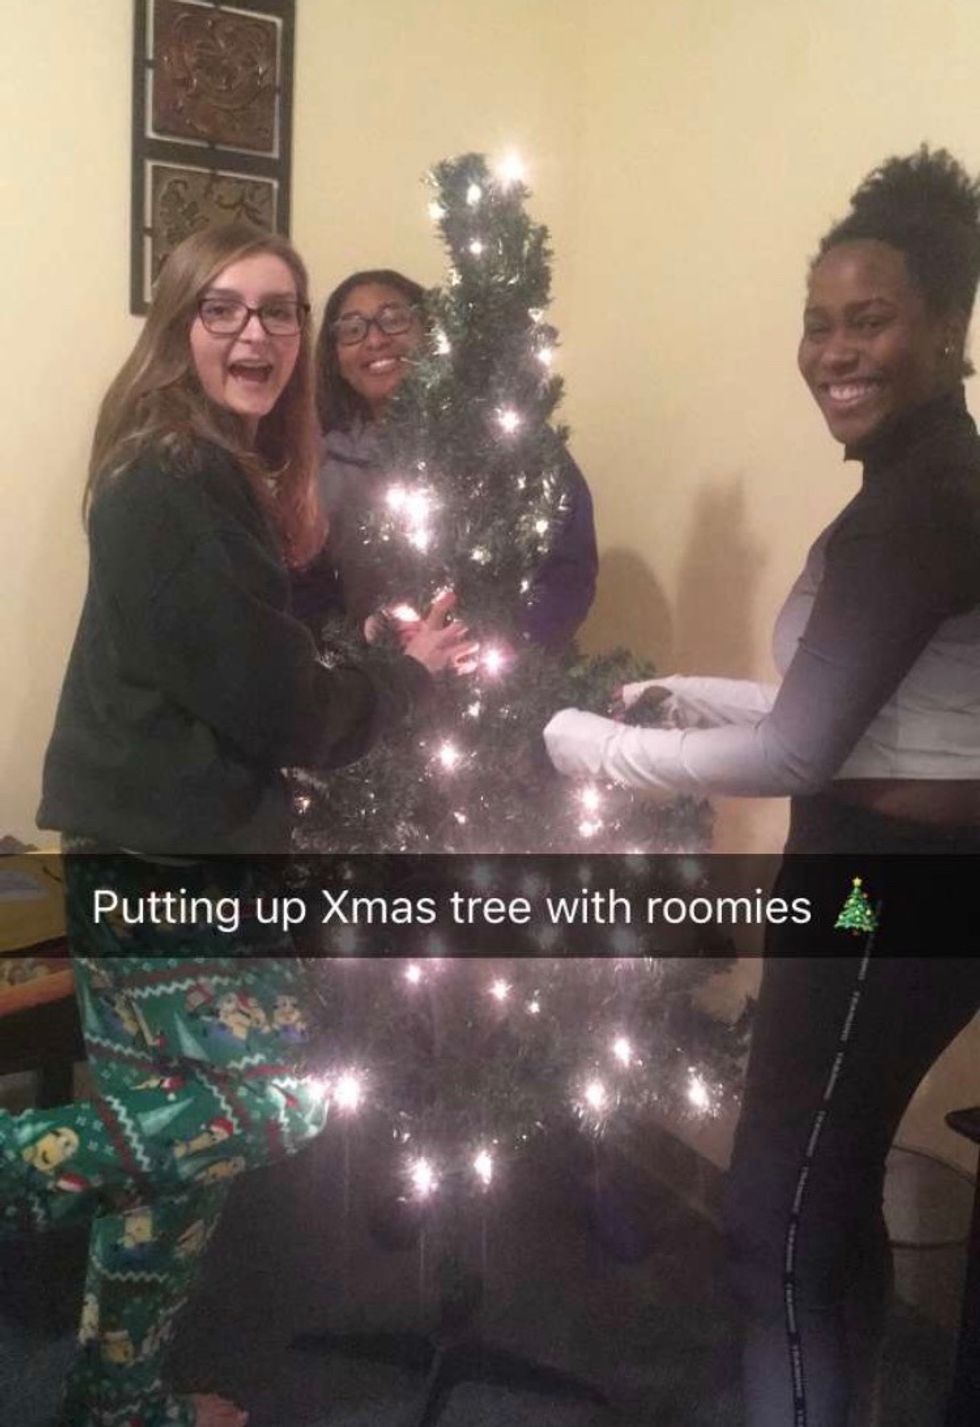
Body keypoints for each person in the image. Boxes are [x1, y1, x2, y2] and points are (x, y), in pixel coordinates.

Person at [2, 223, 471, 1427]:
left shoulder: (204, 468)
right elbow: (280, 708)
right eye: (222, 307)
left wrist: (348, 657)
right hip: (173, 855)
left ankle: (115, 1405)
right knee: (285, 1099)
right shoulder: (173, 475)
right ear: (180, 323)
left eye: (278, 310)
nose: (255, 333)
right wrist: (408, 677)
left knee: (168, 1173)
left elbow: (235, 658)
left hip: (151, 841)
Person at [543, 147, 980, 1427]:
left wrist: (593, 746)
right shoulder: (916, 482)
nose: (832, 351)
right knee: (823, 1204)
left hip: (877, 902)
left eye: (867, 319)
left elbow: (800, 756)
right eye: (817, 322)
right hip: (879, 882)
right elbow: (867, 718)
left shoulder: (921, 502)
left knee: (769, 1227)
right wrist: (692, 692)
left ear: (945, 328)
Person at [290, 268, 599, 648]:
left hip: (510, 670)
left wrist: (508, 649)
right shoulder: (323, 467)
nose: (375, 339)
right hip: (377, 677)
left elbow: (568, 564)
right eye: (352, 329)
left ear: (431, 332)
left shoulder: (508, 438)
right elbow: (306, 595)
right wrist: (365, 642)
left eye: (394, 319)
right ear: (335, 357)